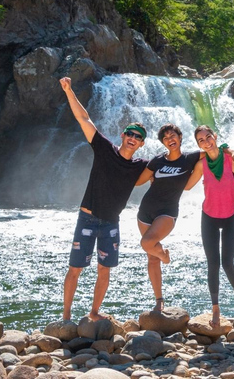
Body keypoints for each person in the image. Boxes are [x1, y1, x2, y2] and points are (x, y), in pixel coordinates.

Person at [59, 77, 153, 321]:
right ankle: (66, 316)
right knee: (75, 269)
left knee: (104, 270)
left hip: (111, 223)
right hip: (88, 218)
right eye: (130, 133)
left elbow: (165, 170)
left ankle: (93, 313)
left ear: (142, 144)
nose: (133, 137)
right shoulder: (104, 148)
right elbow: (84, 119)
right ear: (123, 135)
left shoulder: (140, 166)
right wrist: (69, 90)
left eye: (138, 136)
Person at [186, 125, 234, 327]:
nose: (206, 142)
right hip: (209, 217)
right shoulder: (201, 164)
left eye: (208, 137)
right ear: (198, 145)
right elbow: (186, 185)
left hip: (231, 216)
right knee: (212, 264)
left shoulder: (232, 159)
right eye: (201, 140)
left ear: (215, 137)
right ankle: (216, 308)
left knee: (227, 263)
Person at [137, 124, 202, 312]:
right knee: (151, 256)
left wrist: (229, 153)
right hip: (145, 211)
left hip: (167, 211)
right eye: (165, 138)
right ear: (162, 142)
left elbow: (212, 151)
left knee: (147, 243)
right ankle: (159, 300)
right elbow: (139, 180)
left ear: (180, 137)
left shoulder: (190, 157)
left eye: (172, 135)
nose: (169, 139)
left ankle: (165, 257)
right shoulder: (157, 160)